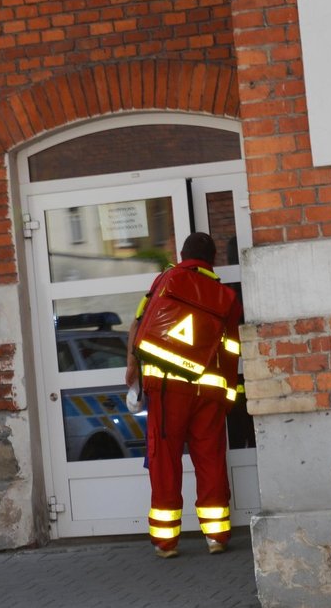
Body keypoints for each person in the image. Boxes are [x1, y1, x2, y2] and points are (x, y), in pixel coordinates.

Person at [125, 232, 242, 559]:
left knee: (165, 459)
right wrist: (228, 395)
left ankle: (167, 542)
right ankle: (217, 536)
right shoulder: (226, 297)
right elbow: (231, 350)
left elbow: (138, 326)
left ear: (181, 254)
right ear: (213, 259)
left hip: (165, 388)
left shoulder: (165, 279)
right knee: (211, 459)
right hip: (209, 391)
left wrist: (132, 369)